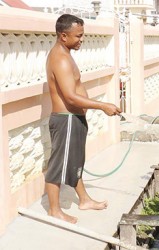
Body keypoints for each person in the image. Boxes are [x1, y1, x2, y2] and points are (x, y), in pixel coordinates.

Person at [45, 14, 122, 223]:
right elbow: (69, 96)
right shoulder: (59, 58)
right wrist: (102, 106)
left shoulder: (66, 54)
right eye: (78, 36)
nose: (81, 39)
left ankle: (84, 199)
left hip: (74, 119)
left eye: (82, 35)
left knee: (76, 161)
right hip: (66, 120)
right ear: (63, 36)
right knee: (58, 165)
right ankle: (54, 210)